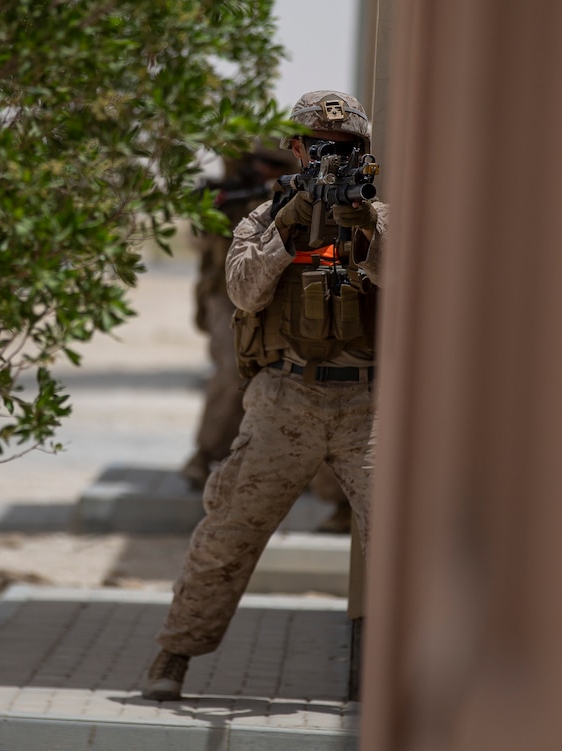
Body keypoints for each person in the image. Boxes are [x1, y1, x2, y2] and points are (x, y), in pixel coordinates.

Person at [143, 90, 388, 701]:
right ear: (297, 151)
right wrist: (286, 225)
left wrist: (369, 234)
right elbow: (247, 294)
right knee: (227, 532)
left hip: (368, 408)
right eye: (320, 147)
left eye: (346, 149)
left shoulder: (383, 217)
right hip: (286, 402)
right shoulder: (264, 216)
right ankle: (174, 655)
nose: (331, 158)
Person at [180, 144, 354, 533]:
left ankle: (333, 496)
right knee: (232, 373)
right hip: (232, 297)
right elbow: (203, 238)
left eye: (273, 165)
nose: (261, 170)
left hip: (295, 300)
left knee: (315, 382)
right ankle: (207, 457)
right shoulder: (228, 196)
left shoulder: (313, 192)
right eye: (255, 163)